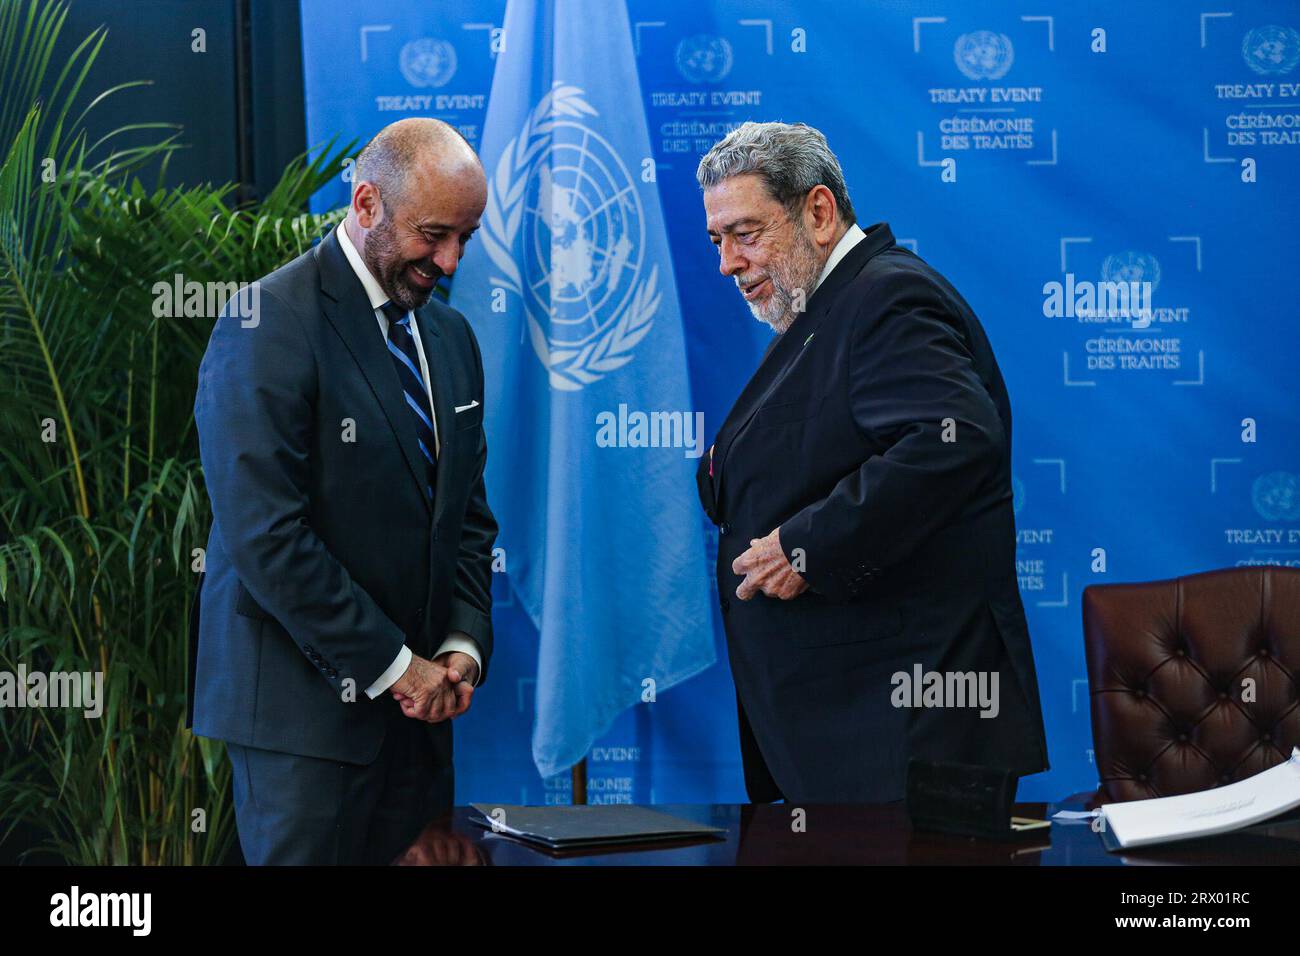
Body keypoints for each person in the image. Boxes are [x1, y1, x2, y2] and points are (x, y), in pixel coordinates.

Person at [695, 121, 1048, 802]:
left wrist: (806, 546)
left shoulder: (885, 297)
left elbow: (955, 436)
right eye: (717, 240)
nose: (727, 263)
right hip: (841, 730)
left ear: (818, 212)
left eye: (745, 233)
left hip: (904, 730)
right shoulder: (818, 309)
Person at [190, 118, 497, 863]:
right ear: (365, 205)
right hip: (305, 735)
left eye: (466, 236)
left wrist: (459, 646)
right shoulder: (268, 322)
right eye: (434, 234)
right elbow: (269, 539)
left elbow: (466, 519)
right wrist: (398, 668)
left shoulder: (450, 337)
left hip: (421, 727)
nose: (450, 260)